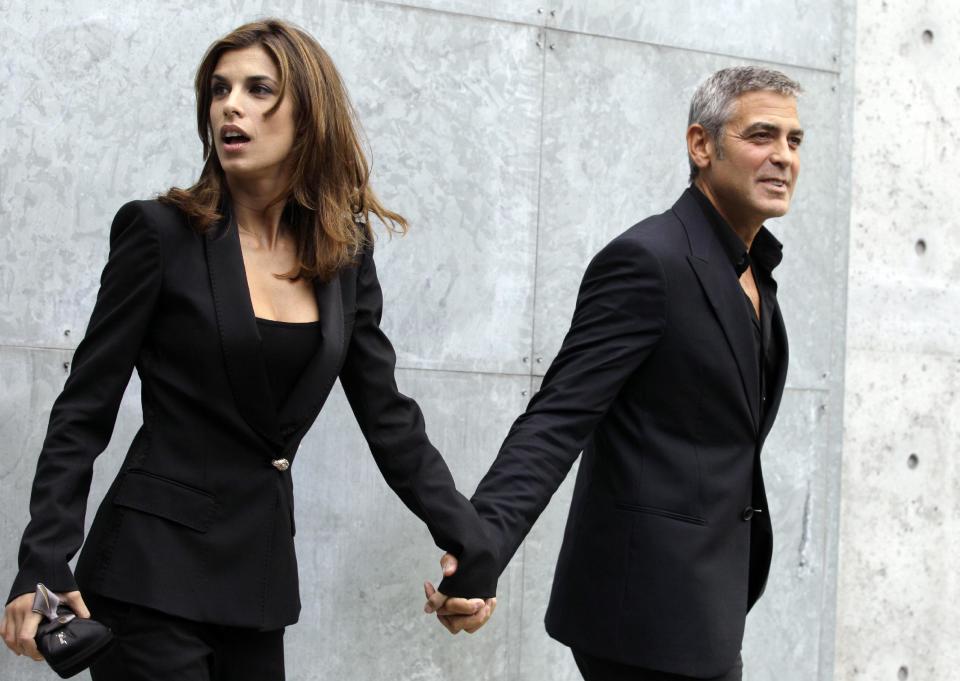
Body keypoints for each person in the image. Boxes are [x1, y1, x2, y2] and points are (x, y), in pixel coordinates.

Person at [1, 18, 495, 680]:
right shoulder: (159, 234)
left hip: (256, 583)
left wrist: (471, 542)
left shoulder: (343, 256)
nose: (231, 104)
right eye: (219, 89)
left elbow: (389, 416)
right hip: (149, 573)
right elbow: (83, 409)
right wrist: (42, 561)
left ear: (308, 114)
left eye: (259, 89)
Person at [427, 66, 804, 680]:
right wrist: (479, 552)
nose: (783, 157)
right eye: (761, 135)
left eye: (794, 140)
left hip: (707, 604)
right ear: (701, 145)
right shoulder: (648, 261)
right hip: (641, 615)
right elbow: (557, 418)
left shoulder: (753, 269)